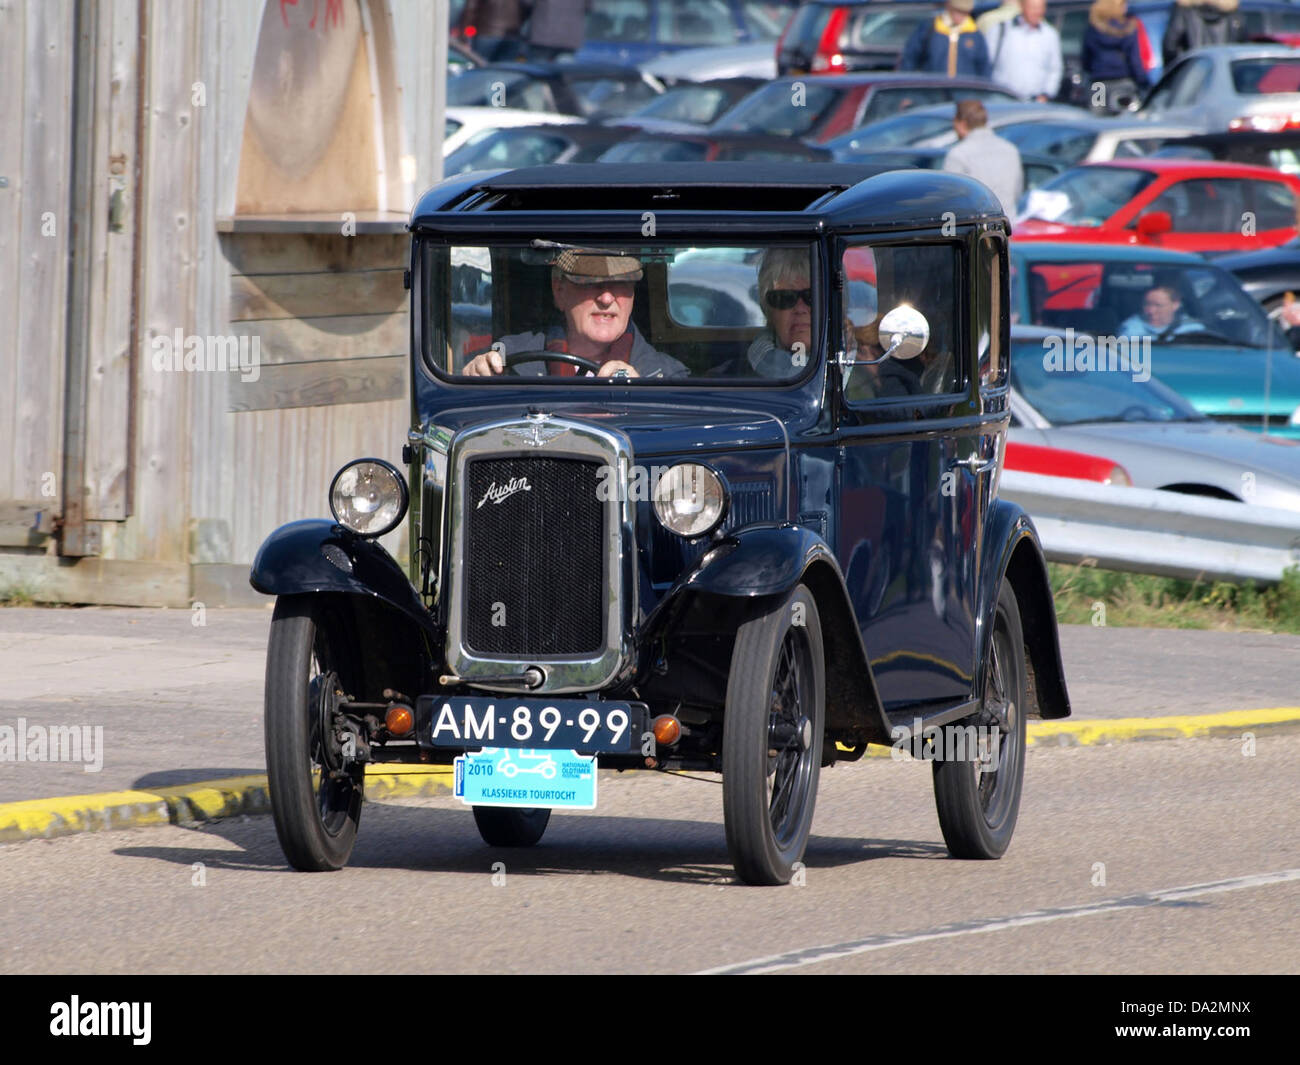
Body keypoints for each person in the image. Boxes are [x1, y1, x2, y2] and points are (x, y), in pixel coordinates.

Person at [463, 250, 688, 379]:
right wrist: (474, 378)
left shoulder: (667, 377)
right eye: (590, 284)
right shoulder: (509, 359)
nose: (607, 299)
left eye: (620, 284)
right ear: (559, 291)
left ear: (633, 294)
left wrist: (642, 399)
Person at [942, 99, 1024, 216]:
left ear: (962, 123)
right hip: (1007, 226)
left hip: (975, 228)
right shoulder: (1011, 150)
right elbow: (1017, 194)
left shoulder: (958, 154)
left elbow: (949, 200)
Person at [745, 248, 814, 377]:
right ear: (769, 309)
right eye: (785, 297)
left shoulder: (860, 377)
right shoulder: (733, 380)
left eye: (812, 297)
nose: (800, 309)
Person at [986, 0, 1064, 102]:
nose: (1037, 12)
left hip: (1035, 102)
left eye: (1040, 8)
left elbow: (1055, 69)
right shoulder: (1001, 30)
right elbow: (986, 63)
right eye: (1033, 8)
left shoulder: (1049, 35)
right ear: (1022, 6)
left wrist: (1046, 94)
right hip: (1002, 99)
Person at [1082, 0, 1150, 114]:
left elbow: (1086, 59)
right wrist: (1144, 82)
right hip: (1123, 81)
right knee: (1124, 120)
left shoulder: (1093, 29)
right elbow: (1134, 60)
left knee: (1097, 119)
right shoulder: (1128, 28)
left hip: (1098, 83)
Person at [898, 0, 992, 79]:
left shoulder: (974, 34)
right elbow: (909, 60)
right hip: (933, 92)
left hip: (965, 94)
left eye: (965, 12)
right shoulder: (930, 28)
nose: (961, 16)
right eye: (958, 11)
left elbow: (984, 68)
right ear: (949, 7)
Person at [1162, 0, 1247, 66]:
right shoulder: (1232, 11)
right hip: (1224, 73)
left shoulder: (1184, 9)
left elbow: (1170, 46)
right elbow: (1242, 48)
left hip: (1192, 74)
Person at [1117, 285, 1204, 337]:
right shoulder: (1131, 329)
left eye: (1158, 306)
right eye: (1147, 304)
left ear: (1175, 305)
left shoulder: (1192, 329)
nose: (1151, 311)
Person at [457, 0, 525, 62]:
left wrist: (464, 36)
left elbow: (470, 9)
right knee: (506, 70)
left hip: (486, 33)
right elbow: (527, 6)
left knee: (482, 68)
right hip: (511, 33)